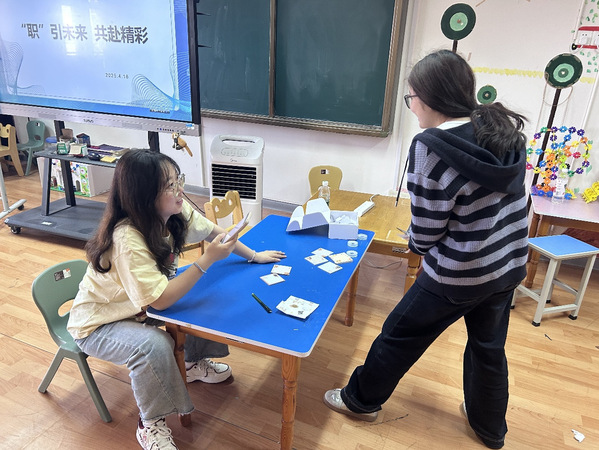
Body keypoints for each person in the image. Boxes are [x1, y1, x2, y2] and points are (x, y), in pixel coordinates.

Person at [323, 49, 529, 449]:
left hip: (458, 274)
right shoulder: (497, 127)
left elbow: (428, 232)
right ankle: (490, 427)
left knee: (399, 335)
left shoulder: (431, 148)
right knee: (488, 348)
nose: (412, 106)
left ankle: (360, 401)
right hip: (507, 264)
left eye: (411, 97)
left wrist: (414, 242)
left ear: (430, 98)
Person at [67, 149, 286, 450]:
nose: (180, 190)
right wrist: (206, 260)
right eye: (170, 185)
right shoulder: (127, 239)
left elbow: (215, 233)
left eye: (177, 180)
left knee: (200, 299)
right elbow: (160, 302)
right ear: (144, 196)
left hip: (138, 308)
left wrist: (253, 256)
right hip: (99, 324)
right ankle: (150, 423)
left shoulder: (173, 213)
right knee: (153, 345)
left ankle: (193, 364)